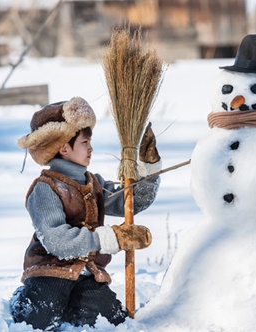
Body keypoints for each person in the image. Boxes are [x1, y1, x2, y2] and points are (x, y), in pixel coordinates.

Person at [9, 97, 162, 330]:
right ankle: (24, 299)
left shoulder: (93, 184)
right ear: (63, 148)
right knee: (39, 320)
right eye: (84, 142)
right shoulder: (45, 188)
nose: (91, 148)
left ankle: (73, 304)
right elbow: (56, 240)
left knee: (111, 321)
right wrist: (110, 238)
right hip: (50, 271)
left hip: (86, 275)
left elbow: (128, 203)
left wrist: (148, 170)